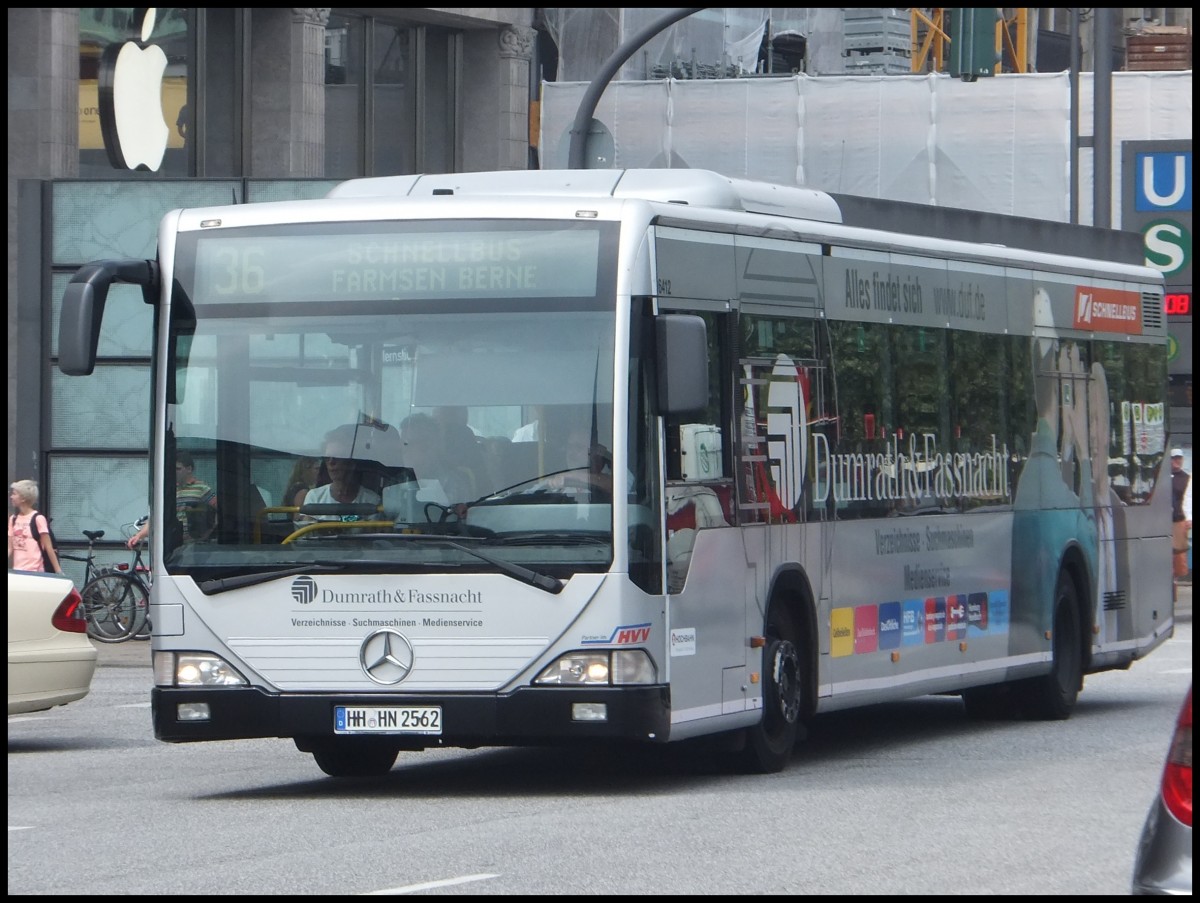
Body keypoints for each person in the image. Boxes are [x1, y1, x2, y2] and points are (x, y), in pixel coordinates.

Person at [295, 425, 382, 528]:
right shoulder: (314, 497)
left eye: (337, 457)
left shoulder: (371, 501)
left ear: (351, 463)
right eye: (327, 458)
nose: (331, 462)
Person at [127, 451, 218, 547]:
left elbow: (219, 510)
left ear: (189, 469)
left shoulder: (201, 488)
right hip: (174, 545)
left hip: (196, 545)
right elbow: (155, 517)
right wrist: (139, 536)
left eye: (178, 469)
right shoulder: (168, 490)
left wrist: (209, 532)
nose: (174, 472)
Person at [7, 479, 63, 574]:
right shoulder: (13, 519)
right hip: (17, 571)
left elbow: (48, 547)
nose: (11, 497)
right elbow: (9, 548)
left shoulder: (38, 519)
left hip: (35, 573)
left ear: (23, 498)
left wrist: (58, 571)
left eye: (14, 494)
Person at [1171, 448, 1191, 582]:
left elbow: (1189, 498)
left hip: (1179, 520)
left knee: (1178, 558)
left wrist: (1189, 519)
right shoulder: (1161, 476)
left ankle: (1174, 586)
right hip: (1161, 520)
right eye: (1174, 458)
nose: (1177, 461)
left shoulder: (1187, 478)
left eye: (1179, 458)